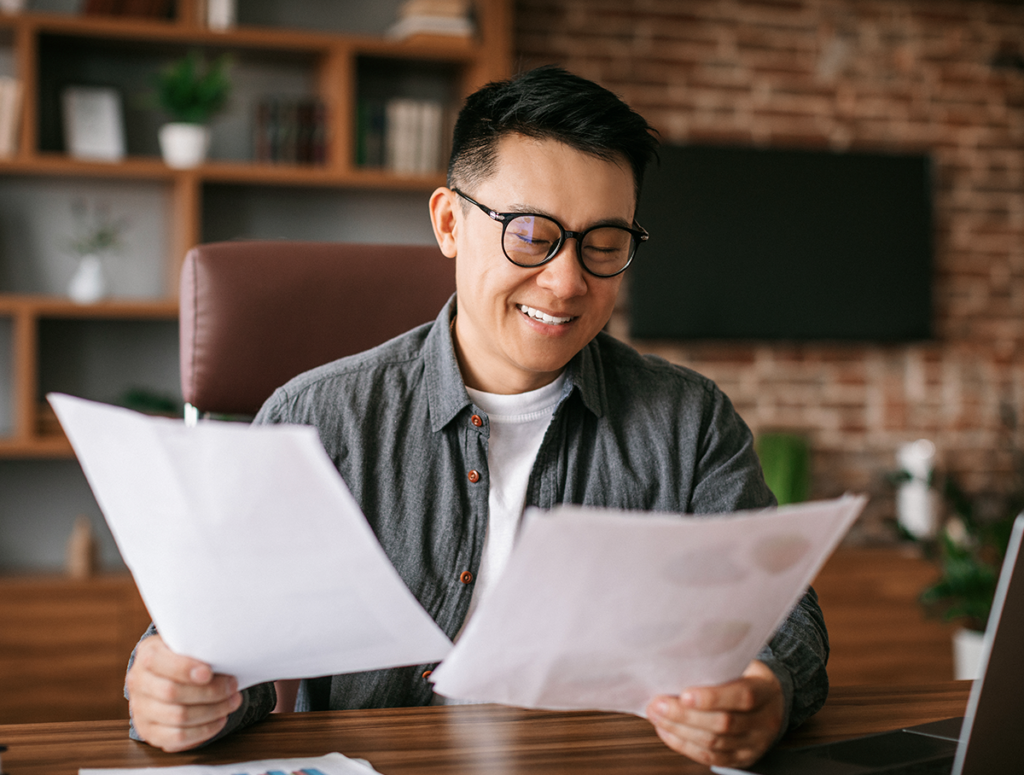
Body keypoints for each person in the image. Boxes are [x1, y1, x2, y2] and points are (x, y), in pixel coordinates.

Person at [124, 65, 828, 769]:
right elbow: (215, 646)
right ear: (450, 222)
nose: (566, 280)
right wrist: (179, 691)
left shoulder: (688, 422)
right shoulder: (317, 420)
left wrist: (764, 689)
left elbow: (782, 612)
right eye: (530, 234)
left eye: (604, 243)